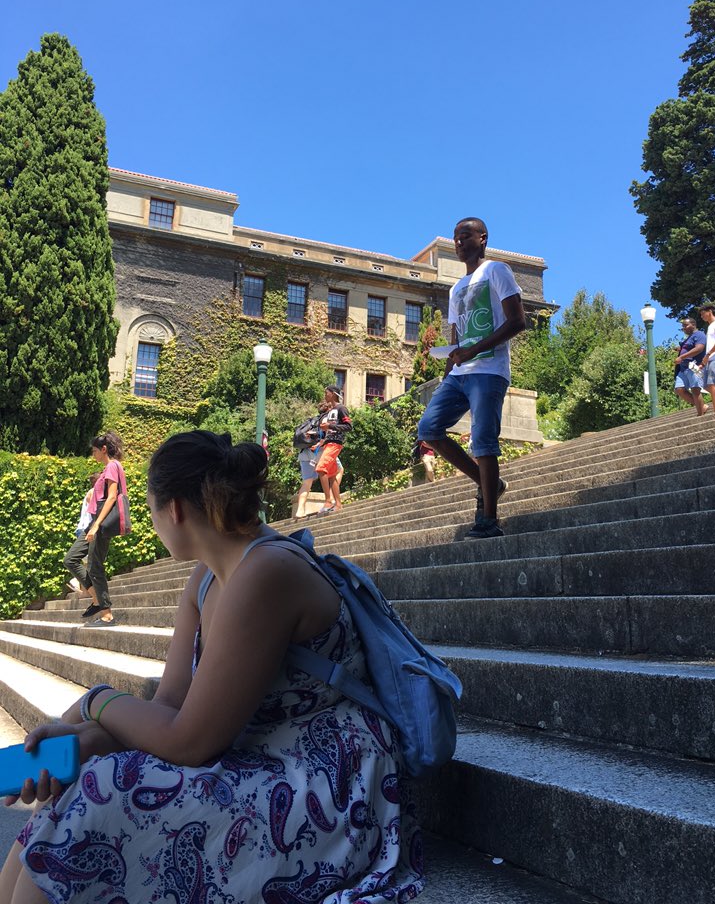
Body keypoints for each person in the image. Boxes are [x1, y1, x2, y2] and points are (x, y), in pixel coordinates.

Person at [0, 430, 423, 904]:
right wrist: (90, 741)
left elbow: (190, 741)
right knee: (85, 780)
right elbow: (170, 706)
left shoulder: (266, 572)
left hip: (325, 783)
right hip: (258, 753)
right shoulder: (205, 576)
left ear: (175, 509)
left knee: (101, 790)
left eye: (151, 508)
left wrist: (95, 701)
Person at [417, 217, 526, 538]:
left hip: (489, 371)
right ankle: (487, 482)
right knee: (429, 429)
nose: (459, 242)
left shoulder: (497, 271)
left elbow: (517, 321)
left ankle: (489, 519)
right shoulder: (455, 288)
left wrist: (473, 349)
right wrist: (449, 368)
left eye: (465, 236)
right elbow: (456, 337)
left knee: (483, 440)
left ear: (483, 238)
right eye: (455, 238)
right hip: (460, 373)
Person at [62, 432, 127, 627]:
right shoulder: (108, 468)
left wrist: (97, 524)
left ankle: (107, 615)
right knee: (71, 558)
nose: (93, 454)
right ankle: (96, 598)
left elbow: (112, 497)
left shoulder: (113, 466)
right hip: (94, 523)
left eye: (95, 450)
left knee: (95, 566)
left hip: (100, 523)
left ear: (104, 449)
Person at [315, 386, 352, 516]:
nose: (325, 395)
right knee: (331, 476)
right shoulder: (331, 410)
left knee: (320, 469)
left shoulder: (341, 408)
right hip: (329, 443)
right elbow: (330, 431)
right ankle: (338, 504)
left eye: (327, 393)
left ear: (333, 394)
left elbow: (348, 426)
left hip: (335, 444)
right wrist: (321, 443)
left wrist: (329, 425)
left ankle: (328, 501)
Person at [66, 474, 99, 594]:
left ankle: (86, 590)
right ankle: (77, 582)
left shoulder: (92, 492)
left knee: (88, 560)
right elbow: (95, 511)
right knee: (88, 561)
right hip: (87, 529)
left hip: (86, 529)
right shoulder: (93, 492)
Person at [673, 317, 706, 416]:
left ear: (693, 324)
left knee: (695, 389)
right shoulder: (688, 338)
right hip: (683, 368)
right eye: (682, 326)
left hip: (694, 366)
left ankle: (700, 414)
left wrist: (682, 357)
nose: (684, 328)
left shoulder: (699, 335)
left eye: (685, 325)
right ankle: (702, 406)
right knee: (679, 389)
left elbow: (699, 348)